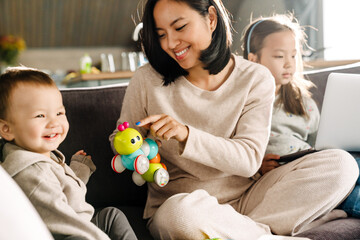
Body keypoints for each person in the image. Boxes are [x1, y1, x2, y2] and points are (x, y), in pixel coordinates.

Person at [109, 1, 357, 239]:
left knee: (342, 165)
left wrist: (186, 134)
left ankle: (235, 231)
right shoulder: (146, 80)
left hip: (250, 198)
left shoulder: (255, 77)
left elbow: (249, 160)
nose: (171, 43)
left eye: (180, 27)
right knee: (180, 216)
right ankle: (265, 234)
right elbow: (120, 140)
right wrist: (131, 146)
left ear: (212, 19)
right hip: (185, 205)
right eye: (161, 34)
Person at [243, 13, 359, 229]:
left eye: (294, 56)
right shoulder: (245, 101)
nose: (289, 64)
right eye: (279, 57)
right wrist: (256, 167)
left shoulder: (302, 102)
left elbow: (322, 141)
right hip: (290, 176)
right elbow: (235, 150)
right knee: (354, 194)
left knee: (354, 162)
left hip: (318, 164)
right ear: (253, 59)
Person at [0, 67, 138, 240]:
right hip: (65, 234)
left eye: (59, 113)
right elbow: (64, 221)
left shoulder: (40, 155)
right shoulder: (34, 174)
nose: (54, 122)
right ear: (7, 129)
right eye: (40, 115)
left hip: (76, 225)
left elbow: (63, 192)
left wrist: (78, 170)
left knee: (111, 216)